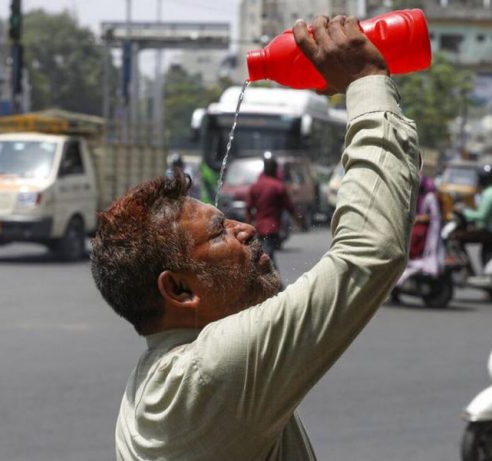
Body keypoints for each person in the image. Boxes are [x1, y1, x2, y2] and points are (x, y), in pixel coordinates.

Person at [90, 15, 419, 461]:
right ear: (180, 289)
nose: (244, 229)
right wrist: (365, 81)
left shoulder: (159, 380)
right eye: (218, 232)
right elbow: (369, 251)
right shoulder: (212, 373)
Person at [245, 151, 303, 271]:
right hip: (273, 228)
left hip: (259, 228)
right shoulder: (278, 187)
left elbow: (249, 208)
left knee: (263, 255)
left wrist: (248, 226)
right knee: (267, 256)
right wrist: (298, 221)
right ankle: (275, 283)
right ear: (275, 169)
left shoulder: (256, 186)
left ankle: (269, 282)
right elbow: (289, 207)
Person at [453, 164, 492, 265]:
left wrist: (464, 212)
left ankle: (466, 265)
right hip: (489, 230)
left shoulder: (489, 194)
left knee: (457, 236)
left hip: (490, 231)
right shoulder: (491, 191)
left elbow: (481, 216)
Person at [409, 175, 439, 260]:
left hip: (426, 228)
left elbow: (434, 216)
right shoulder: (418, 197)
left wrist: (418, 219)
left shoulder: (430, 198)